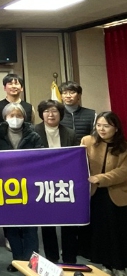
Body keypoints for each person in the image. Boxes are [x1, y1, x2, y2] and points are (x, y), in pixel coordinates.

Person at [0, 102, 42, 271]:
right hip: (5, 187)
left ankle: (31, 263)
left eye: (18, 115)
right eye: (11, 115)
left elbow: (41, 158)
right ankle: (17, 261)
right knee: (11, 226)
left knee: (30, 227)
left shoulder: (33, 135)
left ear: (24, 117)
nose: (15, 118)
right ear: (5, 117)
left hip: (28, 186)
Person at [80, 111, 127, 276]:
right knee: (101, 232)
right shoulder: (87, 141)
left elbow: (123, 172)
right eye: (98, 125)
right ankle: (106, 264)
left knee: (118, 232)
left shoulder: (124, 147)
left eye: (106, 126)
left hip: (117, 194)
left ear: (116, 128)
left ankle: (120, 266)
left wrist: (100, 178)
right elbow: (78, 161)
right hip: (94, 194)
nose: (101, 129)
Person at [33, 100, 77, 263]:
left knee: (68, 221)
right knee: (47, 222)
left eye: (54, 111)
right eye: (46, 111)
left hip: (65, 182)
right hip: (42, 182)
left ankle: (70, 259)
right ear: (41, 114)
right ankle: (52, 258)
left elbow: (76, 157)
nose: (50, 115)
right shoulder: (33, 131)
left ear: (60, 114)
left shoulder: (70, 133)